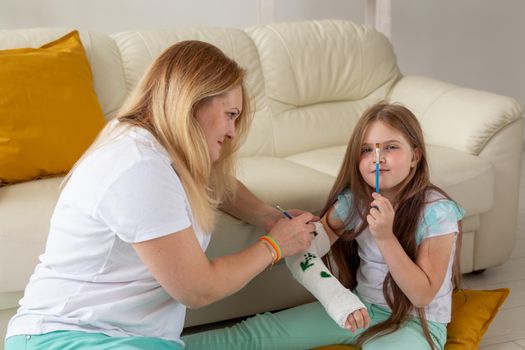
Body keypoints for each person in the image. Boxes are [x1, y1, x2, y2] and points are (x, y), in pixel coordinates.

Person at [4, 40, 318, 350]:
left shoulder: (159, 148)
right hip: (65, 338)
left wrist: (269, 217)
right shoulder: (138, 165)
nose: (233, 131)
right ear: (193, 101)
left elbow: (221, 186)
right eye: (231, 114)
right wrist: (275, 246)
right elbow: (197, 290)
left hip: (133, 339)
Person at [182, 102, 464, 350]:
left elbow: (422, 294)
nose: (378, 158)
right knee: (255, 335)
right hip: (361, 308)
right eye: (367, 150)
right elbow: (307, 248)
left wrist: (385, 238)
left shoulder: (436, 212)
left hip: (416, 322)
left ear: (415, 156)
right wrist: (298, 235)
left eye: (391, 147)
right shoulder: (354, 203)